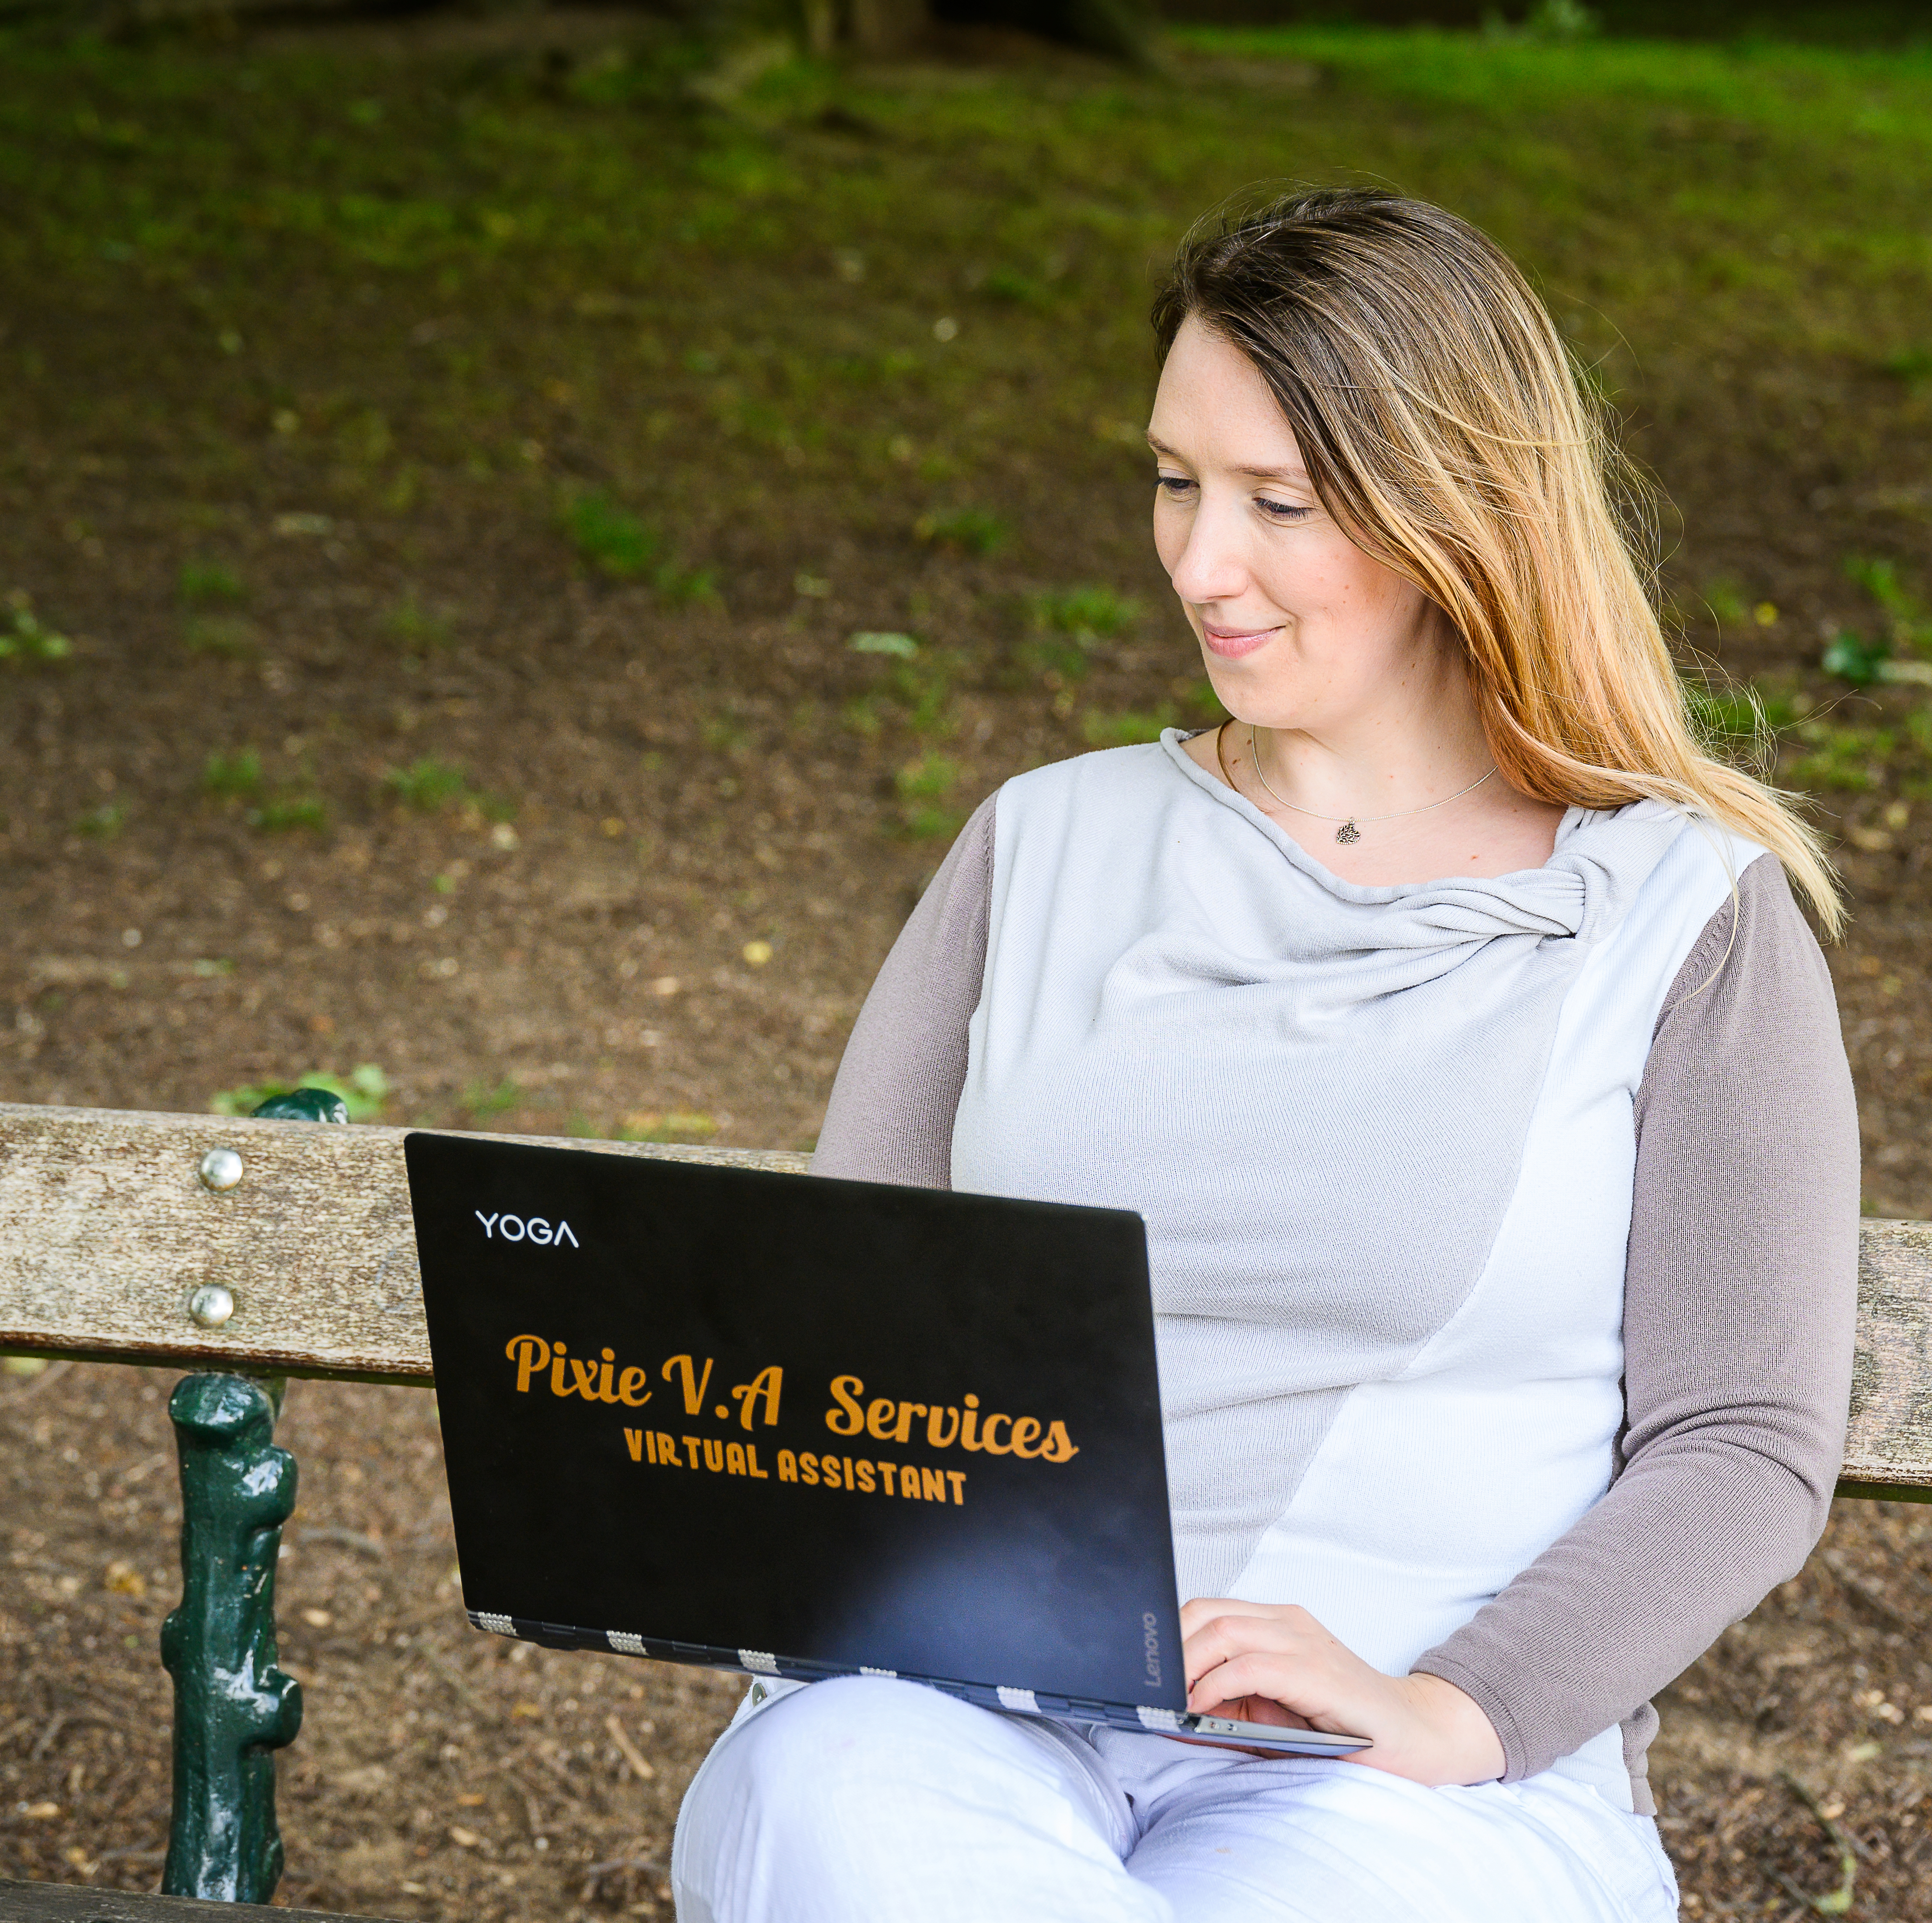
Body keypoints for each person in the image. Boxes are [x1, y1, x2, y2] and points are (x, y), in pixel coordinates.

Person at [671, 185, 1859, 1923]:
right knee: (819, 1791)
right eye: (1174, 479)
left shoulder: (1681, 914)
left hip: (1411, 1785)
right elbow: (857, 1322)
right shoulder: (1041, 843)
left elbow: (1741, 1437)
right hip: (974, 1728)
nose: (1194, 561)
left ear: (1459, 516)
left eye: (1277, 503)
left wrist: (1450, 1705)